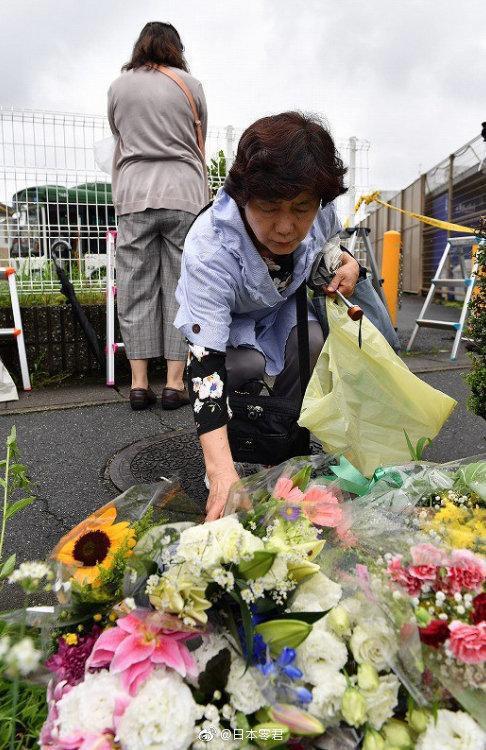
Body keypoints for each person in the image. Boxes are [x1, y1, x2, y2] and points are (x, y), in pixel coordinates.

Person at [175, 112, 361, 520]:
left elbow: (330, 244)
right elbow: (204, 363)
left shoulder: (322, 212)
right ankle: (230, 449)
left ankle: (284, 441)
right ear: (243, 196)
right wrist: (219, 470)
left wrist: (348, 263)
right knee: (243, 364)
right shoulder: (209, 248)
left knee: (312, 343)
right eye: (269, 207)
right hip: (226, 321)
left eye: (301, 208)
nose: (286, 226)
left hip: (278, 309)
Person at [108, 22, 208, 410]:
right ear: (176, 48)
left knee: (136, 289)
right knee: (180, 289)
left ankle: (136, 384)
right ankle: (173, 383)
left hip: (135, 194)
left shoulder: (119, 86)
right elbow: (200, 140)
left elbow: (118, 134)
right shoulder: (190, 85)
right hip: (183, 193)